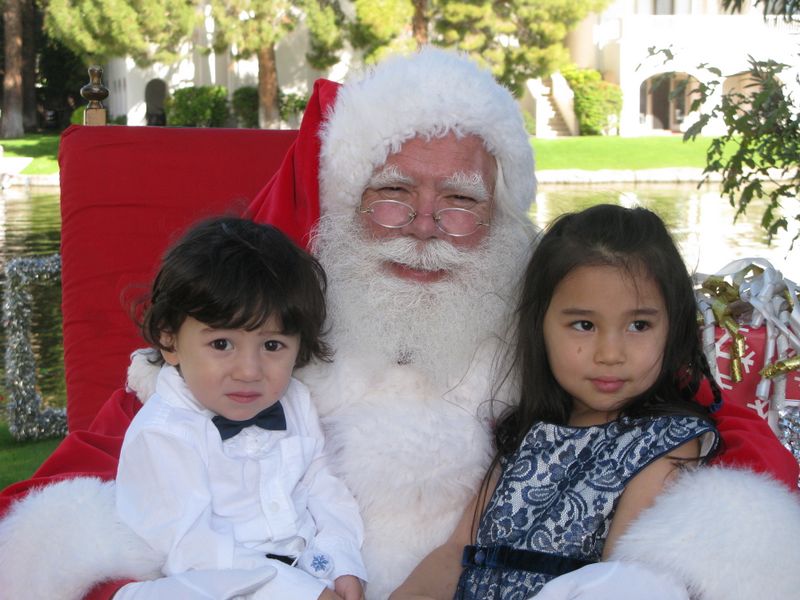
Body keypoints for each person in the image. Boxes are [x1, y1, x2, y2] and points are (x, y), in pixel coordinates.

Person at [0, 47, 798, 600]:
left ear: (502, 216)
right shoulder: (262, 330)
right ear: (344, 201)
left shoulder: (560, 326)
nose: (421, 226)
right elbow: (90, 474)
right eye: (390, 193)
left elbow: (706, 425)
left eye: (458, 202)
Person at [391, 204, 722, 599]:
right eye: (584, 325)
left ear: (674, 326)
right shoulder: (526, 431)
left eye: (639, 325)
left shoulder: (664, 444)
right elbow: (456, 551)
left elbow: (623, 584)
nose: (610, 353)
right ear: (541, 326)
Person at [115, 217, 366, 600]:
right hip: (217, 582)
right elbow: (191, 550)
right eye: (221, 345)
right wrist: (298, 593)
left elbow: (323, 487)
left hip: (304, 572)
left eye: (272, 346)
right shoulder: (163, 434)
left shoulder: (295, 401)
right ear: (169, 340)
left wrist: (341, 563)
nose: (249, 372)